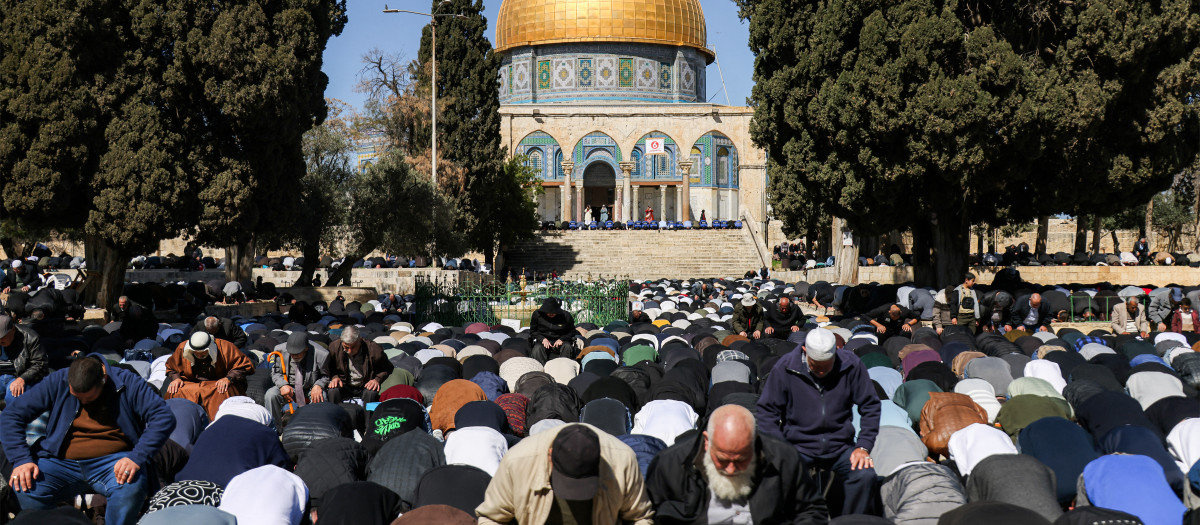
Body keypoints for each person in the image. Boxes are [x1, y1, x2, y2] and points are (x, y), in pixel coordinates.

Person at [1, 354, 175, 525]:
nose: (83, 402)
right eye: (77, 397)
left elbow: (163, 417)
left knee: (130, 487)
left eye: (88, 397)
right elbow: (11, 415)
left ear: (103, 380)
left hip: (113, 461)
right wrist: (22, 460)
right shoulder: (58, 380)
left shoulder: (127, 382)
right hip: (60, 460)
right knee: (25, 486)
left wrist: (136, 457)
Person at [756, 329, 880, 516]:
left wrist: (863, 446)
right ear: (805, 351)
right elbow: (767, 411)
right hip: (797, 446)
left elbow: (870, 405)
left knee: (864, 475)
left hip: (840, 446)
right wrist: (780, 448)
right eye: (816, 366)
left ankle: (850, 520)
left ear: (836, 353)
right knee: (772, 477)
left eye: (827, 366)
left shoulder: (851, 365)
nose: (821, 371)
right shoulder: (785, 367)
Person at [645, 404, 828, 524]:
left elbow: (811, 510)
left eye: (741, 460)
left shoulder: (783, 459)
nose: (731, 469)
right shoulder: (671, 464)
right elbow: (648, 515)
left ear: (754, 443)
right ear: (707, 442)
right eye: (723, 459)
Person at [477, 423, 654, 524]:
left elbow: (639, 518)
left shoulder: (622, 460)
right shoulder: (518, 461)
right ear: (550, 456)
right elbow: (491, 518)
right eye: (567, 482)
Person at [165, 332, 255, 419]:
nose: (199, 356)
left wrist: (229, 378)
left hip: (218, 384)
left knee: (223, 391)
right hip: (191, 385)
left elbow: (244, 365)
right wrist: (176, 379)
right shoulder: (182, 347)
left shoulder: (225, 347)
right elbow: (172, 367)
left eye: (203, 353)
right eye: (196, 353)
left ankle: (221, 422)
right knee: (175, 390)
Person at [266, 332, 331, 420]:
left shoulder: (321, 355)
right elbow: (275, 372)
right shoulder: (279, 350)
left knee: (321, 396)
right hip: (288, 386)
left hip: (310, 387)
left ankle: (314, 424)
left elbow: (326, 376)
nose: (293, 356)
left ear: (306, 348)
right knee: (271, 395)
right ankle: (274, 426)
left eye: (297, 353)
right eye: (291, 353)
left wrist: (318, 385)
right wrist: (283, 385)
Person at [323, 325, 392, 404]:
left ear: (359, 341)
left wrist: (376, 379)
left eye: (353, 347)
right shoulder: (334, 347)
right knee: (333, 391)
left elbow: (387, 368)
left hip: (366, 384)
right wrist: (335, 377)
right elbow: (329, 367)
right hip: (344, 384)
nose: (349, 351)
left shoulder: (374, 349)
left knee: (371, 393)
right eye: (346, 347)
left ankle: (368, 413)